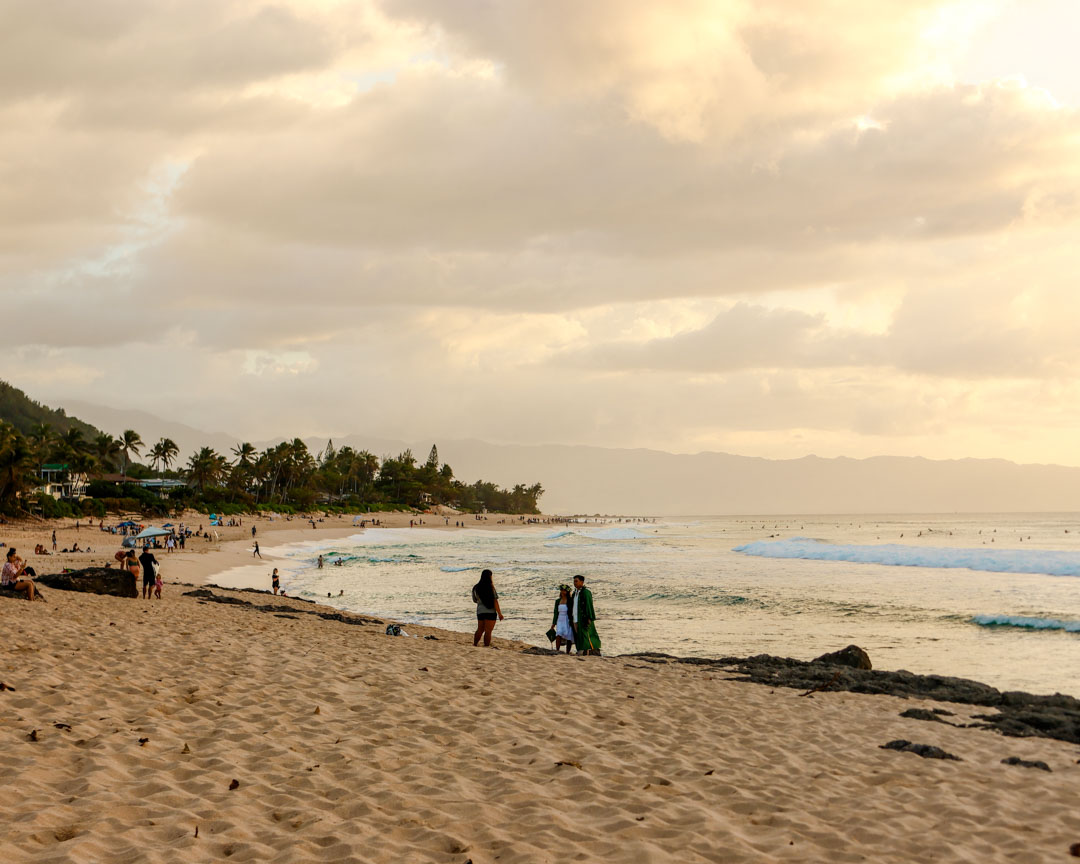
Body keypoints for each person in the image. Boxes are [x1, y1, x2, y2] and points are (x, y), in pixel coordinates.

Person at [570, 574, 601, 656]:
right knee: (578, 634)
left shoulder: (586, 592)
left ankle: (589, 650)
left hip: (583, 617)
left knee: (587, 634)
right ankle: (580, 649)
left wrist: (589, 617)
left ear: (582, 582)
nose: (575, 583)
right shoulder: (575, 593)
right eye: (574, 581)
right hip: (575, 617)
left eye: (576, 581)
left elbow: (589, 605)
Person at [472, 568, 504, 647]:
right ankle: (486, 646)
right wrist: (500, 614)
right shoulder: (491, 587)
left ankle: (475, 644)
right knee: (488, 631)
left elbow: (474, 600)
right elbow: (495, 601)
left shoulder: (475, 588)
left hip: (480, 612)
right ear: (490, 577)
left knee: (480, 630)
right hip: (490, 612)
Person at [551, 584, 575, 654]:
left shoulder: (570, 600)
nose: (563, 592)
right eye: (561, 590)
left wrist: (572, 621)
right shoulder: (558, 601)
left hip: (567, 619)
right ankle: (557, 650)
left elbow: (572, 611)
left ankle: (568, 652)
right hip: (560, 619)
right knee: (558, 634)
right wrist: (553, 623)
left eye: (564, 590)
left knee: (568, 635)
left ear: (567, 592)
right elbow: (555, 613)